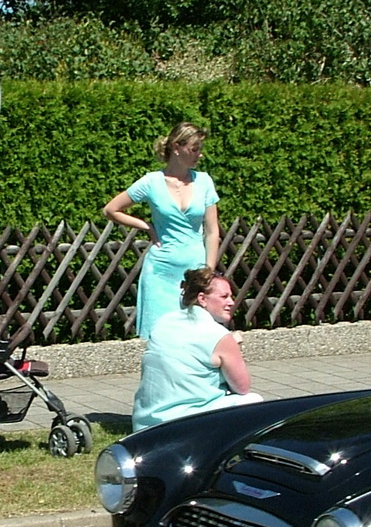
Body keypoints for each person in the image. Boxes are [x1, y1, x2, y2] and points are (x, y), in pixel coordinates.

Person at [104, 121, 220, 338]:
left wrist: (209, 270)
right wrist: (146, 226)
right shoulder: (151, 182)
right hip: (160, 273)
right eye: (194, 149)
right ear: (177, 148)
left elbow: (212, 231)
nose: (199, 155)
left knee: (196, 336)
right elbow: (111, 210)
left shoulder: (204, 182)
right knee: (159, 336)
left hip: (195, 272)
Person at [131, 267, 263, 431]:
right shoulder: (219, 336)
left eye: (231, 296)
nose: (231, 302)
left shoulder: (164, 322)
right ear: (202, 299)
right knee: (252, 400)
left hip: (145, 424)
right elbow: (242, 387)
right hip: (184, 425)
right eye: (224, 297)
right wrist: (233, 347)